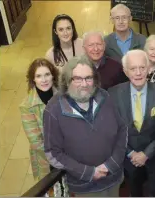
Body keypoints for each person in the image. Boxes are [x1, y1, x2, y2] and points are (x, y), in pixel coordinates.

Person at [43, 56, 127, 197]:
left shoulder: (104, 97)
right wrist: (87, 172)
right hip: (84, 187)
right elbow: (53, 152)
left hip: (113, 178)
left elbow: (122, 130)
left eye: (88, 78)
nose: (84, 84)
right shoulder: (54, 110)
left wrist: (111, 164)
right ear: (66, 80)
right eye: (77, 79)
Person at [108, 50, 155, 197]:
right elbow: (113, 128)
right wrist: (130, 153)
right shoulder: (113, 93)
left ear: (148, 68)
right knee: (134, 191)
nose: (138, 73)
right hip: (128, 157)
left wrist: (146, 154)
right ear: (125, 71)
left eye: (142, 67)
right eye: (133, 68)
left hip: (154, 157)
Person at [19, 58, 66, 196]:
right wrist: (60, 158)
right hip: (47, 160)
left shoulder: (64, 95)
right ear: (33, 79)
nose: (44, 80)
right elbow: (36, 142)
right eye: (39, 76)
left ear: (53, 75)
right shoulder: (27, 106)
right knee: (55, 191)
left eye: (47, 74)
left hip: (70, 154)